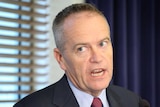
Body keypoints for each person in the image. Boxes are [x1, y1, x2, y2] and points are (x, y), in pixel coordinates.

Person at [13, 3, 150, 107]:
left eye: (102, 44)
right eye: (81, 49)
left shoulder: (133, 101)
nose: (97, 58)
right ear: (60, 59)